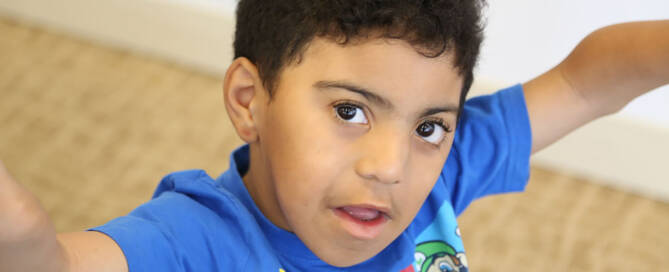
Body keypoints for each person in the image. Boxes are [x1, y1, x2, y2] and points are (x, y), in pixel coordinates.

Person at [0, 1, 667, 271]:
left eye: (429, 125)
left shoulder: (442, 172)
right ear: (248, 102)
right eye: (351, 111)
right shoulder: (195, 239)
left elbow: (586, 81)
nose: (391, 166)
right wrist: (24, 230)